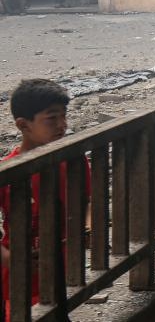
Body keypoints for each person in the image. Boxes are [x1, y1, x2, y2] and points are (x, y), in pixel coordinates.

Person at [0, 79, 90, 306]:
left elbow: (88, 200)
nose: (62, 125)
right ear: (23, 125)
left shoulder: (73, 158)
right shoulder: (9, 172)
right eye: (52, 118)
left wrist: (88, 227)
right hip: (22, 269)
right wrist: (10, 259)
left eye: (64, 115)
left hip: (63, 263)